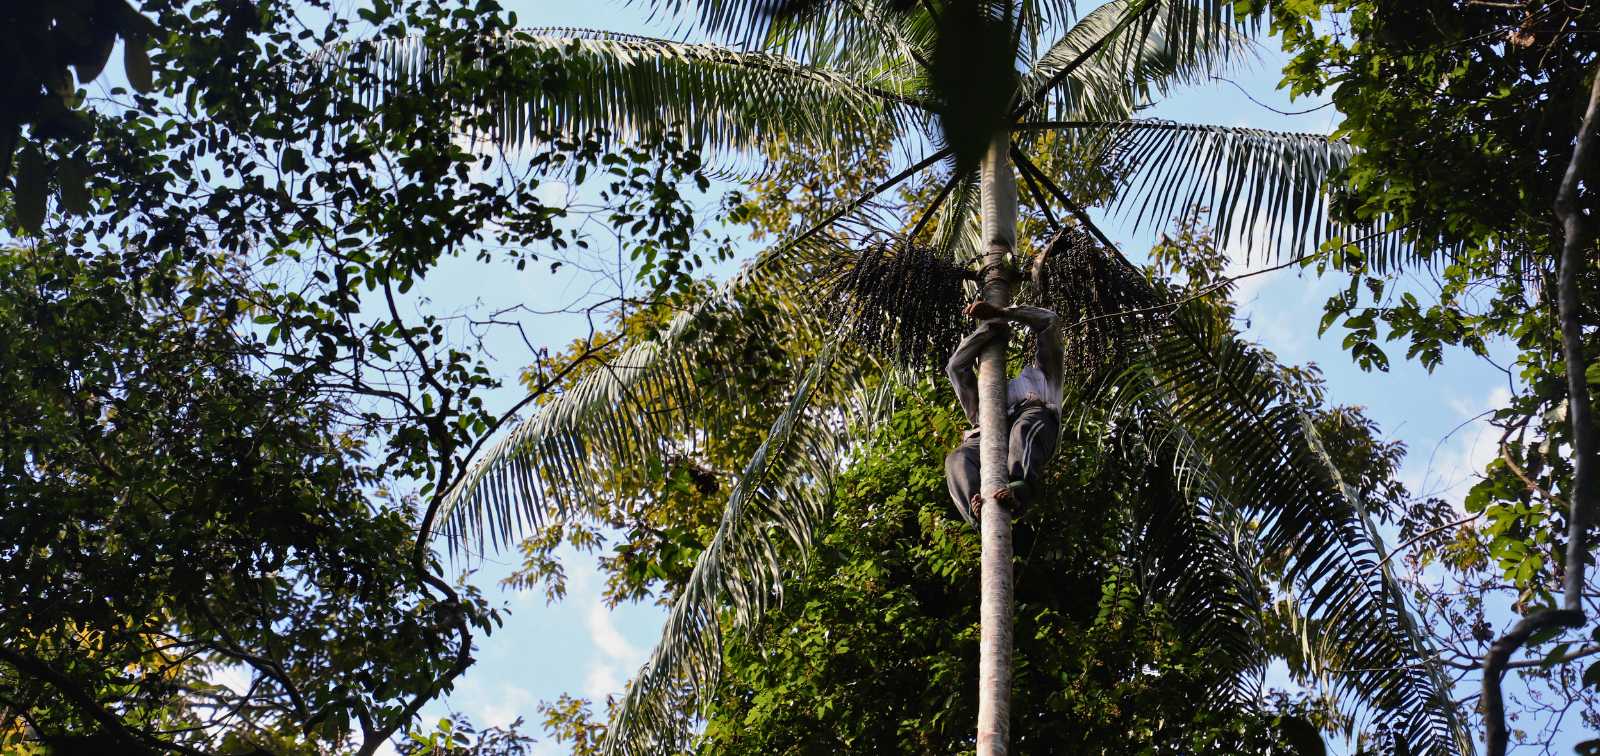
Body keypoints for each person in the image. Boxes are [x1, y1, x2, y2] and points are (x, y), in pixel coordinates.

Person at [943, 300, 1063, 525]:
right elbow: (955, 367)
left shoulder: (1043, 378)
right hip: (989, 436)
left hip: (1035, 426)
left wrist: (1001, 313)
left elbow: (1050, 322)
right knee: (956, 458)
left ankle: (1020, 489)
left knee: (1024, 427)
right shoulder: (986, 399)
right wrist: (988, 330)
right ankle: (977, 510)